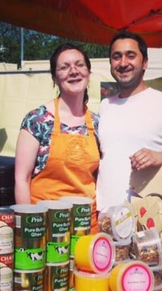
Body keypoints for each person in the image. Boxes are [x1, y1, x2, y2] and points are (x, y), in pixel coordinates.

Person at [96, 31, 162, 211]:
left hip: (147, 216)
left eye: (131, 56)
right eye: (116, 57)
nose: (123, 63)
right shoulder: (105, 106)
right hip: (105, 213)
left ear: (145, 63)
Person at [15, 43, 100, 233]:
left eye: (79, 65)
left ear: (89, 73)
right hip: (46, 227)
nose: (73, 71)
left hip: (86, 227)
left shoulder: (97, 123)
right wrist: (29, 228)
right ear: (55, 78)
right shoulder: (37, 120)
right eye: (64, 67)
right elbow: (22, 178)